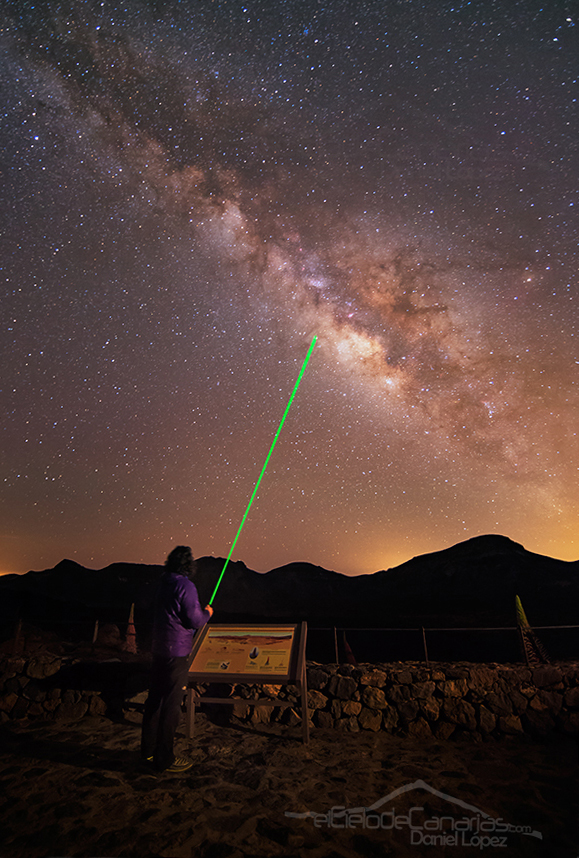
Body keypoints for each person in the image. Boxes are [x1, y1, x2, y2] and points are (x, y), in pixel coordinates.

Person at [141, 545, 213, 773]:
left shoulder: (163, 583)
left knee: (154, 701)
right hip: (177, 653)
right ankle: (164, 759)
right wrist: (208, 613)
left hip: (159, 650)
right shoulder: (185, 586)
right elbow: (195, 620)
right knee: (171, 706)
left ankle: (148, 752)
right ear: (188, 565)